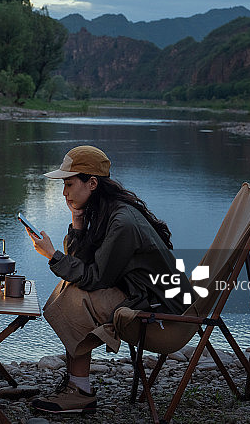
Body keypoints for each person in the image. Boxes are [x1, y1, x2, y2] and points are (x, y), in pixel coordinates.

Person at [27, 145, 189, 414]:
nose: (64, 192)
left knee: (77, 299)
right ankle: (76, 385)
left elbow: (95, 277)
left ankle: (80, 392)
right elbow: (84, 265)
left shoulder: (121, 221)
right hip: (139, 293)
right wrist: (77, 221)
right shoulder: (106, 211)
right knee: (70, 289)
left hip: (162, 310)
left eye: (68, 184)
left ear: (91, 183)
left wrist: (53, 255)